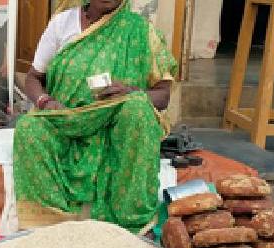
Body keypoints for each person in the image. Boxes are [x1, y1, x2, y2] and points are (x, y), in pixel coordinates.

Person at [14, 0, 177, 233]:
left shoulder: (141, 32)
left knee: (138, 108)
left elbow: (162, 97)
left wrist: (131, 92)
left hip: (115, 128)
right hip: (66, 122)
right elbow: (33, 77)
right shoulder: (62, 24)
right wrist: (45, 102)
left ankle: (131, 222)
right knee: (29, 128)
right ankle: (49, 226)